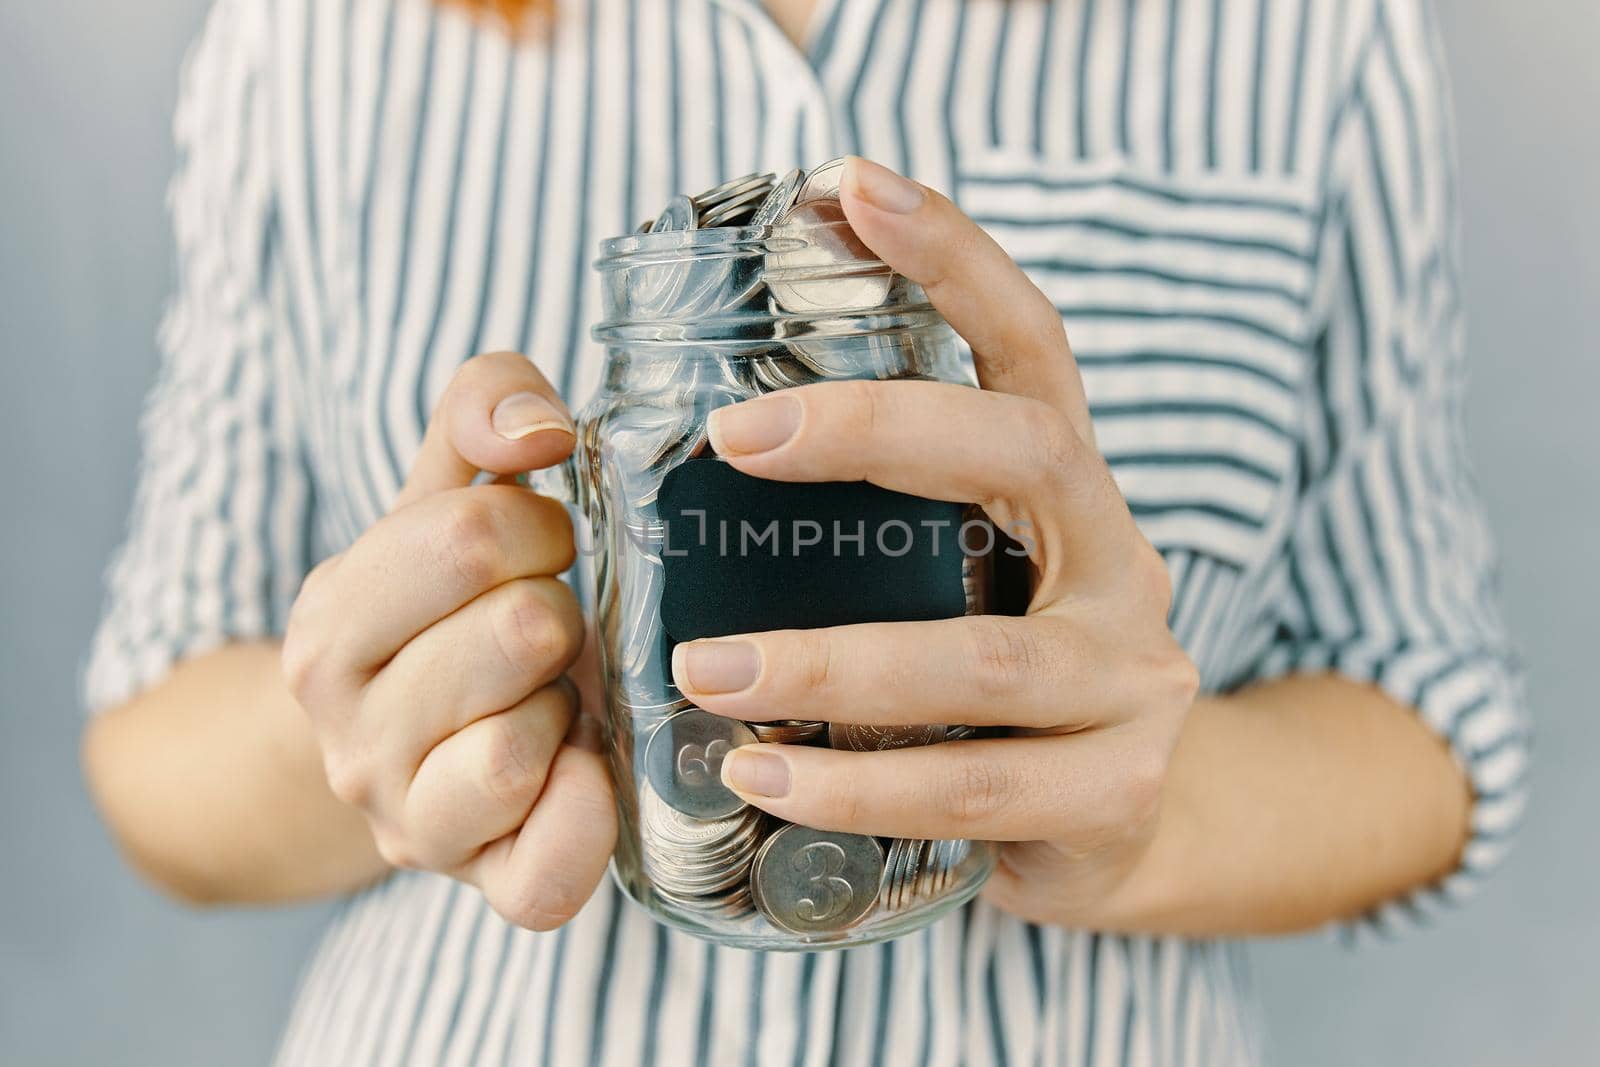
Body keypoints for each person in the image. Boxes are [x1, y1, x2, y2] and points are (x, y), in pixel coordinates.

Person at [81, 0, 1529, 1063]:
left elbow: (1429, 700)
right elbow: (154, 736)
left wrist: (1140, 821)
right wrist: (412, 734)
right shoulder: (310, 39)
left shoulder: (1309, 35)